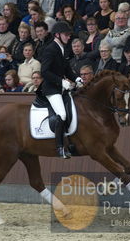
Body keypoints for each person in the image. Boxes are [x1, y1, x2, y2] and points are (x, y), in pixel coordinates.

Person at [39, 21, 83, 159]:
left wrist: (76, 79)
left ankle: (70, 143)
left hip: (61, 88)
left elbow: (66, 69)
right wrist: (61, 81)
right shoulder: (50, 49)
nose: (68, 37)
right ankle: (59, 147)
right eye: (66, 34)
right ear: (57, 35)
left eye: (69, 34)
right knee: (62, 115)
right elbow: (44, 72)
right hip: (51, 89)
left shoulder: (62, 48)